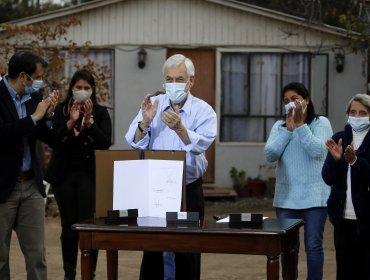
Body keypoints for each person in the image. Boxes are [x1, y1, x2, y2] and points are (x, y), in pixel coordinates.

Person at [125, 54, 217, 280]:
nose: (173, 84)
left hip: (188, 189)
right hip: (156, 191)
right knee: (154, 249)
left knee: (187, 250)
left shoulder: (204, 111)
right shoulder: (153, 105)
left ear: (191, 81)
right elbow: (133, 140)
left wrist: (181, 130)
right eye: (169, 79)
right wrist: (145, 122)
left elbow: (203, 143)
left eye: (179, 79)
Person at [44, 69, 112, 280]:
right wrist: (71, 121)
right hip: (64, 175)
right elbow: (53, 140)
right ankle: (70, 273)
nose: (82, 91)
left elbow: (104, 143)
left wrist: (89, 121)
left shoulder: (100, 113)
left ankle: (88, 272)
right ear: (72, 88)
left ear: (93, 90)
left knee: (87, 226)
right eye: (78, 87)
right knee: (68, 227)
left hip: (88, 175)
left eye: (86, 88)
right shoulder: (62, 110)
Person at [264, 82, 333, 280]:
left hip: (315, 197)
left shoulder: (321, 123)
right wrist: (288, 129)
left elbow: (318, 152)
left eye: (295, 99)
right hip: (287, 198)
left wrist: (301, 125)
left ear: (307, 100)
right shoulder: (280, 126)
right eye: (286, 101)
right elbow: (270, 154)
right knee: (289, 248)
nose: (290, 104)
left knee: (313, 245)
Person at [0, 51, 58, 280]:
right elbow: (3, 134)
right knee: (1, 258)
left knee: (37, 256)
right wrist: (33, 118)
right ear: (24, 76)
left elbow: (47, 136)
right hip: (3, 187)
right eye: (38, 76)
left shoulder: (34, 97)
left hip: (31, 185)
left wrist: (50, 116)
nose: (40, 82)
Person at [322, 93, 370, 280]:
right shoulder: (340, 138)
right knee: (345, 271)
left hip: (367, 219)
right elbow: (327, 178)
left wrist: (355, 161)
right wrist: (336, 161)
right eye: (353, 112)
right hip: (342, 219)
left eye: (363, 113)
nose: (357, 117)